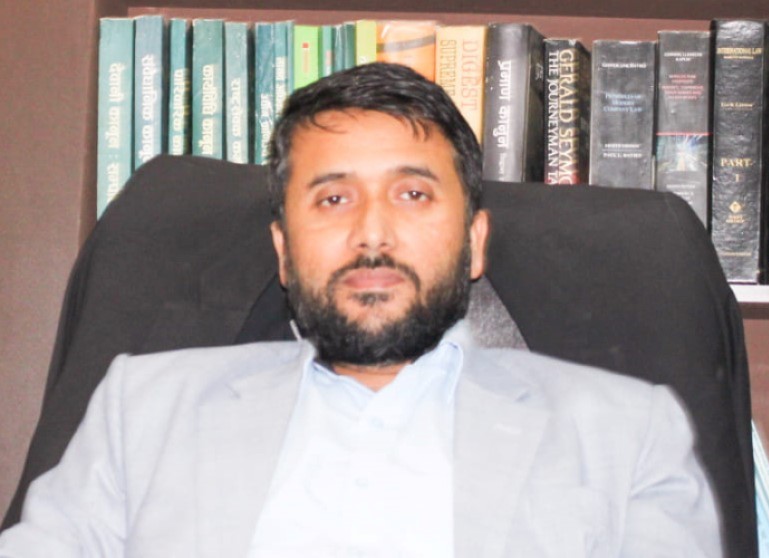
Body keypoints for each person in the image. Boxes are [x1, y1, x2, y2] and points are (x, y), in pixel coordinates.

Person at [0, 62, 721, 557]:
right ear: (283, 251)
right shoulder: (142, 410)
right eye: (333, 198)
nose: (372, 233)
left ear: (474, 243)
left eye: (412, 194)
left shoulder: (623, 435)